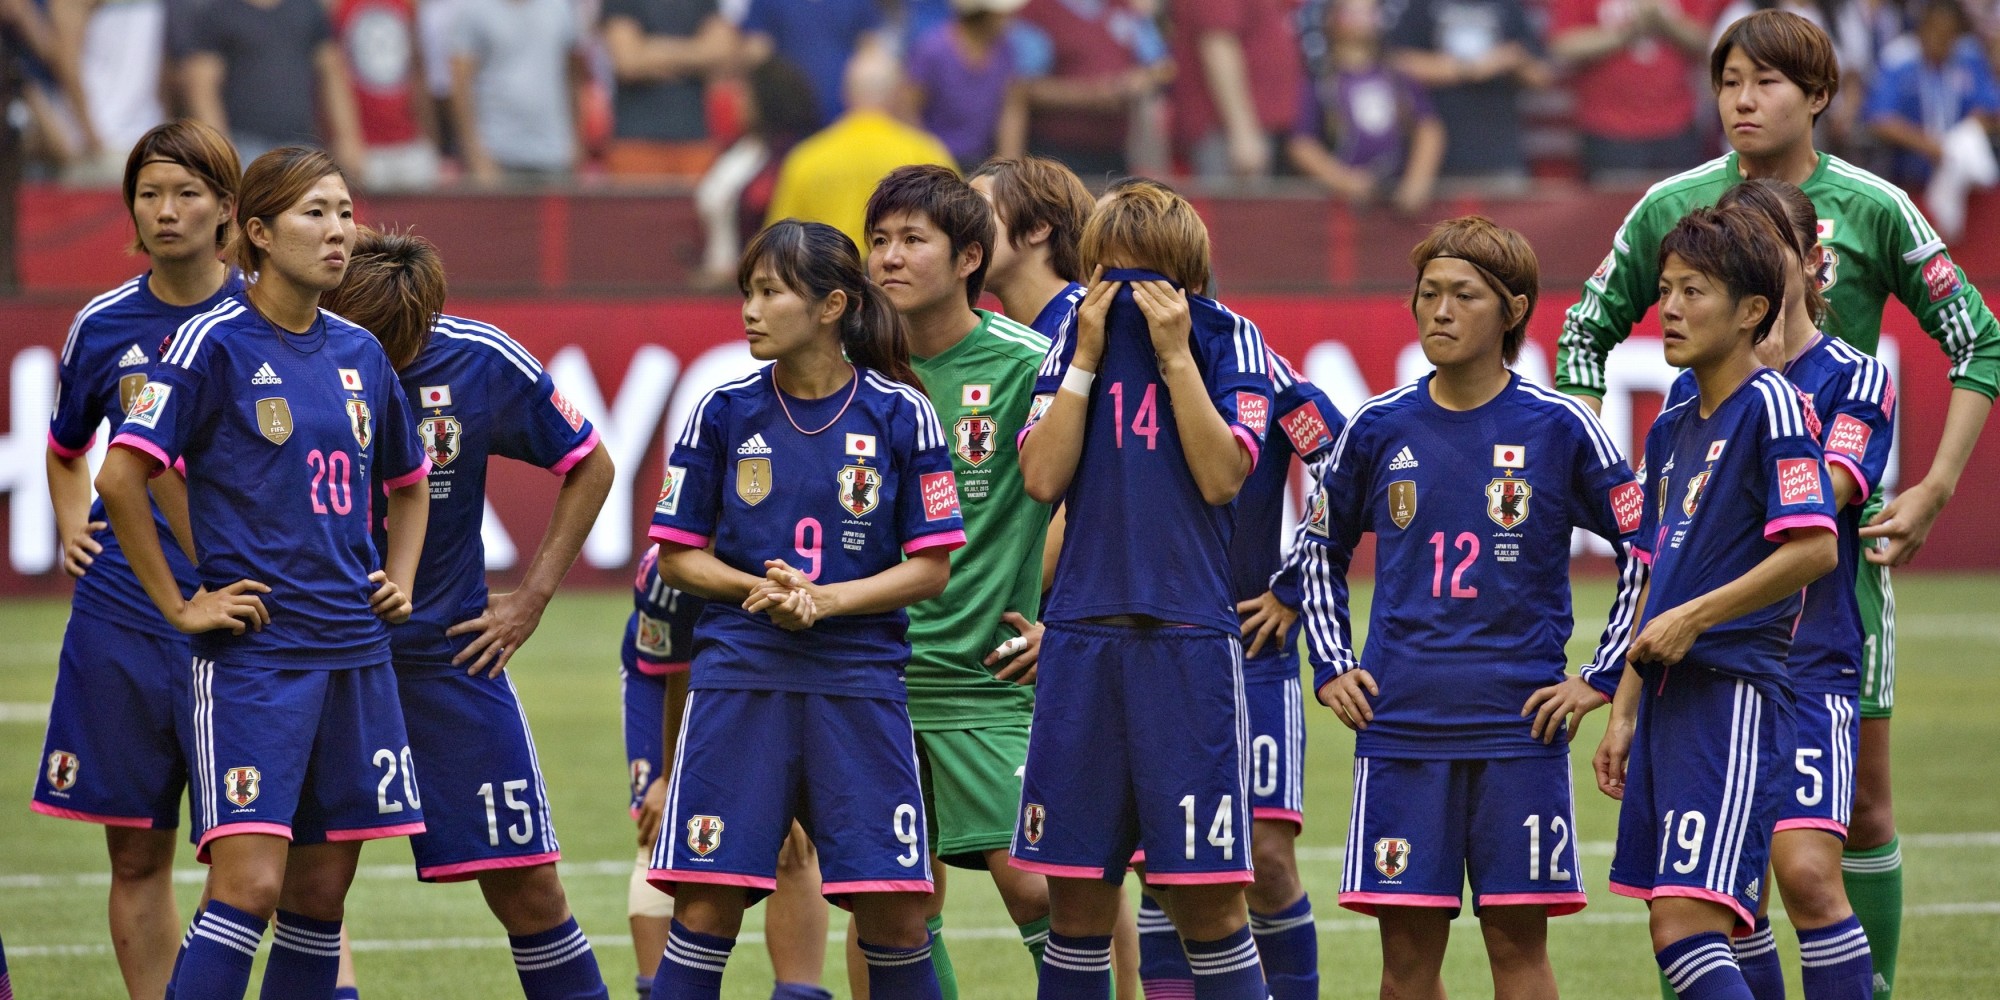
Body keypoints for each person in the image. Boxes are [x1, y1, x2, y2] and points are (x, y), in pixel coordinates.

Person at [1556, 16, 2000, 994]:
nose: (1740, 100)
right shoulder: (1674, 207)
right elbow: (1581, 332)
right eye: (1725, 82)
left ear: (1817, 96)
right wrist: (1605, 484)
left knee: (1853, 819)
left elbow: (1980, 340)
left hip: (1825, 569)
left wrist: (1930, 487)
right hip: (1708, 576)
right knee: (1729, 864)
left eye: (1763, 81)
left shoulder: (1872, 211)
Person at [95, 145, 431, 1000]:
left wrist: (399, 573)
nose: (339, 232)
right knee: (249, 887)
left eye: (346, 212)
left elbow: (409, 481)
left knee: (320, 897)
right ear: (256, 232)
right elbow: (122, 476)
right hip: (259, 660)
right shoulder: (210, 341)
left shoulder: (360, 351)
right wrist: (180, 603)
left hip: (355, 656)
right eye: (315, 213)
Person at [1289, 216, 1643, 1000]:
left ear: (1512, 310)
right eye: (1429, 294)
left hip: (1521, 730)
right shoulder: (1378, 429)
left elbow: (1649, 551)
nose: (1439, 312)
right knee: (1407, 966)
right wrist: (1333, 663)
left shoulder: (1562, 429)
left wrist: (1603, 674)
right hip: (1403, 726)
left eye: (1464, 295)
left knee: (1518, 953)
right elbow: (1316, 548)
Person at [642, 218, 962, 1000]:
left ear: (831, 307)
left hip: (858, 687)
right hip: (739, 681)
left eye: (770, 292)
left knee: (894, 911)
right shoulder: (719, 411)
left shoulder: (901, 413)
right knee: (706, 901)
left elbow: (931, 568)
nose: (749, 310)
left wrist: (825, 601)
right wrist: (763, 591)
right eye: (747, 292)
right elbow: (678, 556)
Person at [318, 227, 618, 1000]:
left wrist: (531, 601)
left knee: (531, 891)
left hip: (449, 662)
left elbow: (590, 463)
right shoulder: (295, 352)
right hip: (325, 659)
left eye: (396, 349)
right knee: (310, 892)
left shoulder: (479, 358)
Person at [1013, 180, 1273, 1000]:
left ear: (1184, 279)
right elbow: (1042, 475)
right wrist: (1088, 355)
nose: (1122, 294)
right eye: (1107, 274)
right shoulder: (1068, 344)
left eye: (1143, 277)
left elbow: (1223, 473)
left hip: (1187, 642)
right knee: (1077, 903)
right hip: (1083, 643)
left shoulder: (1234, 342)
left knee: (1207, 902)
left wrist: (1173, 354)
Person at [1595, 204, 1839, 1000]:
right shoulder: (1668, 430)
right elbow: (1655, 578)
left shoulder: (1773, 405)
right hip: (1668, 700)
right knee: (1690, 925)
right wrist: (1625, 707)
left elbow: (1815, 546)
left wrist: (1698, 618)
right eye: (1664, 289)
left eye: (1693, 290)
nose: (1668, 308)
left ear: (1751, 311)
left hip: (1733, 695)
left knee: (1687, 922)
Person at [1658, 177, 1888, 1000]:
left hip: (1809, 660)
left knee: (1806, 873)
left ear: (1802, 264)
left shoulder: (1848, 380)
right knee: (1731, 902)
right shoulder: (1689, 395)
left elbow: (1822, 502)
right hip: (1718, 675)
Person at [33, 119, 241, 1000]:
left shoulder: (271, 313)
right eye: (149, 194)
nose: (166, 211)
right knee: (135, 846)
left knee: (273, 850)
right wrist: (71, 518)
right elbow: (63, 444)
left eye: (187, 193)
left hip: (245, 607)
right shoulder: (105, 322)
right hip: (124, 610)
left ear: (229, 209)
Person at [844, 164, 1054, 998]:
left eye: (913, 241)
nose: (889, 259)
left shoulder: (1027, 365)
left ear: (970, 257)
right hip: (871, 679)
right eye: (880, 241)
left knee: (1039, 883)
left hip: (989, 680)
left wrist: (1063, 622)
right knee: (889, 906)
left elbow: (1102, 500)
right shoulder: (848, 375)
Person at [625, 545, 835, 1000]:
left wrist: (790, 787)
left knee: (794, 843)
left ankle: (798, 991)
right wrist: (666, 780)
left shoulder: (799, 556)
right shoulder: (670, 570)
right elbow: (676, 670)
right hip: (662, 680)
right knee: (661, 829)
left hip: (774, 681)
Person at [763, 46, 955, 255]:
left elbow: (779, 243)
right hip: (898, 277)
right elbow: (957, 228)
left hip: (828, 280)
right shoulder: (926, 154)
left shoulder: (806, 157)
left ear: (845, 93)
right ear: (896, 93)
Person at [1287, 0, 1446, 212]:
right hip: (1342, 210)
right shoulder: (1321, 82)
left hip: (1397, 202)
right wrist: (1344, 181)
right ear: (1330, 19)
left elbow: (1429, 128)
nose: (1361, 20)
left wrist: (1417, 180)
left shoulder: (1397, 77)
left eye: (1369, 13)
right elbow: (1302, 144)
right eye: (1351, 13)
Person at [177, 0, 365, 170]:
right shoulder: (219, 12)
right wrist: (220, 151)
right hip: (243, 146)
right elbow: (201, 87)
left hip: (302, 146)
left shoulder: (306, 8)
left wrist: (347, 139)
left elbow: (331, 73)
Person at [1383, 0, 1551, 184]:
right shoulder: (1419, 6)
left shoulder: (1508, 7)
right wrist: (1468, 69)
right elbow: (1396, 62)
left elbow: (1542, 76)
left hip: (1499, 154)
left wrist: (1513, 59)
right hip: (1434, 160)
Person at [1549, 0, 1717, 182]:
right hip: (1608, 128)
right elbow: (1564, 45)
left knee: (1682, 206)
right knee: (1614, 207)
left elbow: (1704, 40)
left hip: (1678, 124)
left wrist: (1661, 21)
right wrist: (1628, 32)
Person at [449, 0, 590, 184]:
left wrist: (576, 138)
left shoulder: (559, 7)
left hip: (554, 153)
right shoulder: (474, 9)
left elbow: (572, 76)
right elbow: (460, 85)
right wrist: (475, 153)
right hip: (497, 154)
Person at [1864, 0, 2000, 188]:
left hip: (1960, 179)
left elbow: (1991, 107)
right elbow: (1880, 119)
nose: (1939, 41)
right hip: (1907, 178)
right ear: (1921, 29)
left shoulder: (1968, 57)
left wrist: (1964, 135)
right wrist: (1930, 146)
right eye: (1935, 32)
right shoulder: (1897, 59)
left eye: (1948, 35)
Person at [599, 0, 738, 179]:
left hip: (695, 139)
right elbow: (628, 61)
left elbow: (721, 52)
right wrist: (697, 55)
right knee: (636, 207)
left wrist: (650, 53)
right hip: (635, 142)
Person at [1167, 0, 1303, 180]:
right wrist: (1242, 131)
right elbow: (1217, 44)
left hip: (1259, 127)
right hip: (1224, 131)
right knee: (1233, 205)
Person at [330, 0, 443, 189]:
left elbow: (417, 70)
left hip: (410, 143)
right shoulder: (337, 5)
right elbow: (332, 75)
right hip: (365, 148)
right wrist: (347, 140)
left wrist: (430, 138)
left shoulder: (407, 5)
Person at [905, 0, 1025, 168]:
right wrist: (926, 163)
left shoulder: (1005, 49)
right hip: (934, 163)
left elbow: (1010, 109)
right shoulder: (933, 50)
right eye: (1000, 14)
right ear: (979, 15)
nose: (1010, 18)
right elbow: (909, 112)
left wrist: (1008, 168)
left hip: (981, 162)